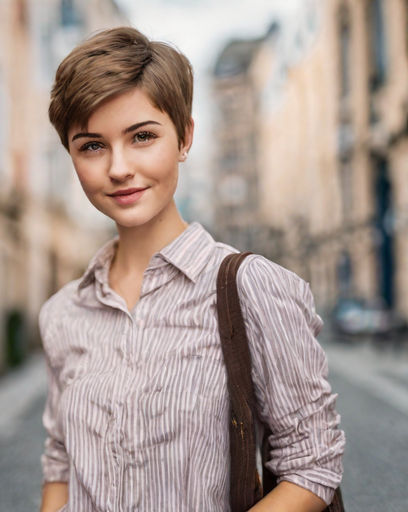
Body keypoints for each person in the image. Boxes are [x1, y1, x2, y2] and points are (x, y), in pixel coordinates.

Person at [39, 27, 345, 512]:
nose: (119, 167)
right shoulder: (62, 313)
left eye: (142, 137)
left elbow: (313, 464)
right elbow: (60, 463)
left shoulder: (251, 287)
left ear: (184, 137)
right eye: (92, 145)